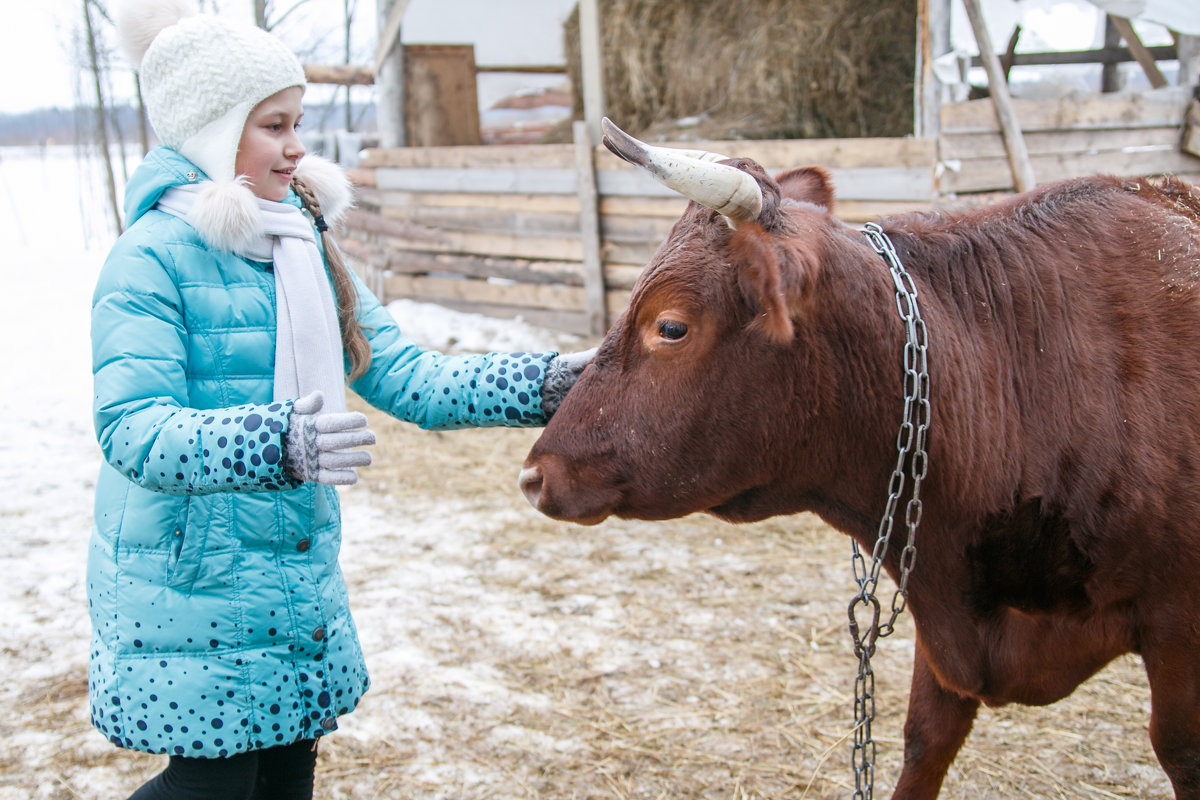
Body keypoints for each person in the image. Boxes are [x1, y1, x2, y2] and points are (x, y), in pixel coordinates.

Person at [89, 1, 592, 797]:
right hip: (195, 578)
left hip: (290, 564)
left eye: (299, 122)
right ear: (214, 132)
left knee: (286, 775)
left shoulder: (300, 242)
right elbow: (132, 430)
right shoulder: (149, 257)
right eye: (273, 126)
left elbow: (408, 377)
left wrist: (550, 383)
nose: (296, 146)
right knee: (217, 784)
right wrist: (275, 441)